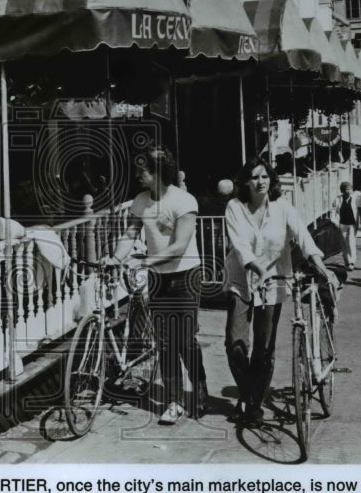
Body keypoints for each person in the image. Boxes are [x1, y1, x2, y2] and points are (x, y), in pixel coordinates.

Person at [222, 156, 337, 424]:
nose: (260, 182)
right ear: (246, 181)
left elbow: (304, 238)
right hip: (241, 280)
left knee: (263, 347)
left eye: (264, 176)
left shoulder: (283, 208)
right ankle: (249, 392)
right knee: (235, 344)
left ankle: (253, 405)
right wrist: (259, 271)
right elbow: (240, 246)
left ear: (271, 180)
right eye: (254, 177)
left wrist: (322, 268)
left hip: (273, 283)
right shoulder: (234, 207)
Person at [110, 146, 206, 425]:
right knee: (165, 342)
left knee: (185, 340)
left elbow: (178, 247)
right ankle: (174, 401)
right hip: (158, 278)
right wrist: (116, 257)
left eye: (143, 170)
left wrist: (145, 261)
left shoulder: (184, 201)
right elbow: (129, 234)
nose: (138, 175)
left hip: (186, 274)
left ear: (159, 173)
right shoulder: (139, 202)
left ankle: (198, 385)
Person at [331, 181, 361, 273]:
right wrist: (334, 221)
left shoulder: (355, 198)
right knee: (344, 243)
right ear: (342, 191)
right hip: (342, 224)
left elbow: (360, 206)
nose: (348, 191)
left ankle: (351, 262)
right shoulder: (338, 199)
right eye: (346, 190)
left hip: (352, 224)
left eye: (350, 189)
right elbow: (333, 211)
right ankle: (347, 261)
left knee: (351, 242)